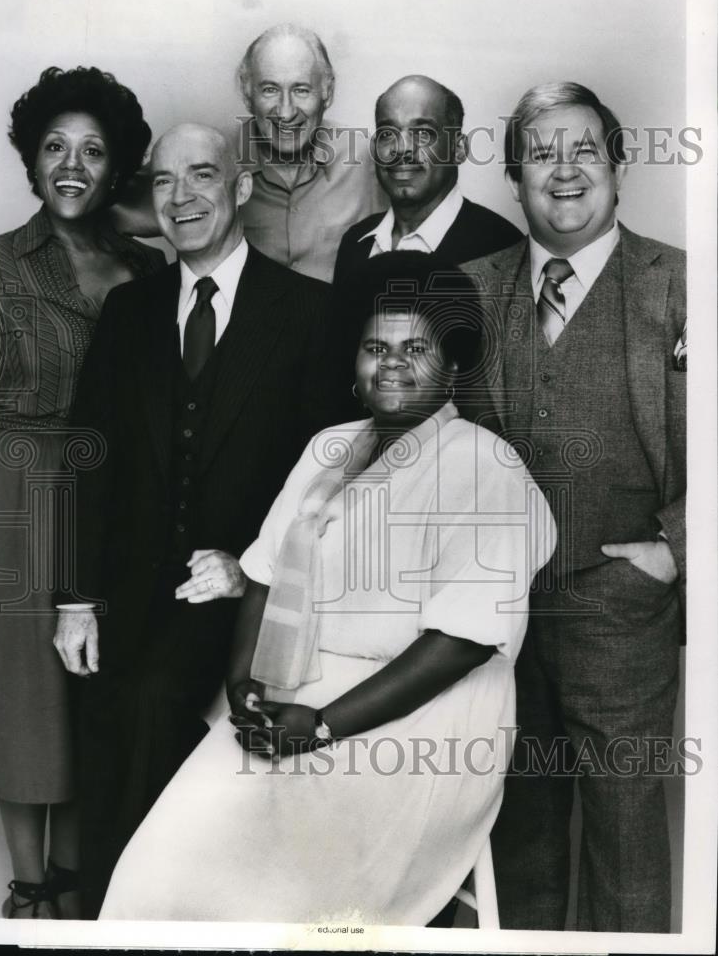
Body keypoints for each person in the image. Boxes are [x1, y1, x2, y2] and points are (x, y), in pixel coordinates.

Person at [99, 252, 556, 924]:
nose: (391, 364)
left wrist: (319, 726)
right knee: (163, 857)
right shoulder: (329, 448)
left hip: (423, 719)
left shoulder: (485, 466)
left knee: (278, 888)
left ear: (454, 365)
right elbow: (263, 577)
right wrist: (244, 686)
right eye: (375, 347)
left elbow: (460, 644)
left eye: (415, 349)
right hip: (297, 692)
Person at [53, 123, 333, 918]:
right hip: (124, 590)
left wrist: (248, 565)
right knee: (101, 725)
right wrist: (76, 599)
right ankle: (103, 923)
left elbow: (327, 481)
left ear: (240, 187)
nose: (181, 198)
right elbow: (88, 461)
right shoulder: (128, 310)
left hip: (241, 602)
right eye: (164, 182)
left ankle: (151, 919)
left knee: (155, 712)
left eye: (201, 176)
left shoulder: (309, 311)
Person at [462, 82, 686, 932]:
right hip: (499, 618)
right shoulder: (470, 290)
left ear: (618, 169)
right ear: (513, 179)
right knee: (517, 841)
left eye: (584, 150)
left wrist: (672, 550)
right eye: (541, 154)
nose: (564, 171)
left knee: (626, 843)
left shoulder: (680, 285)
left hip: (621, 612)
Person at [0, 65, 165, 920]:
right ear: (30, 160)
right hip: (25, 492)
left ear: (117, 168)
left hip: (121, 496)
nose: (70, 166)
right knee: (31, 692)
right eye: (54, 148)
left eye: (93, 152)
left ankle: (74, 878)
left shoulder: (145, 265)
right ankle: (30, 887)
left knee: (98, 686)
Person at [330, 75, 522, 417]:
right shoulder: (355, 244)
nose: (402, 149)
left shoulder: (501, 246)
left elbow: (507, 396)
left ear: (459, 148)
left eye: (423, 133)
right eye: (388, 133)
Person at [236, 22, 384, 282]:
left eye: (301, 90)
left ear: (328, 92)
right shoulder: (218, 159)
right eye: (270, 90)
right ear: (248, 95)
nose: (285, 112)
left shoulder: (367, 158)